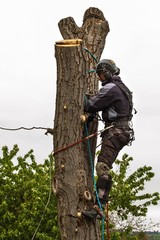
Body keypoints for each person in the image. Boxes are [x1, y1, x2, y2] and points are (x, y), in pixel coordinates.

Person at [83, 59, 135, 218]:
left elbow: (91, 105)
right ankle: (100, 203)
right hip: (121, 131)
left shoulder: (111, 88)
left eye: (100, 75)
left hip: (116, 131)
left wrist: (82, 97)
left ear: (107, 73)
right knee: (103, 166)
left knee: (102, 167)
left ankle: (99, 206)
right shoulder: (121, 87)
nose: (99, 78)